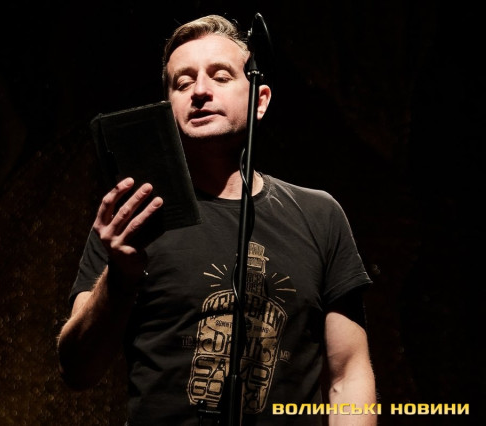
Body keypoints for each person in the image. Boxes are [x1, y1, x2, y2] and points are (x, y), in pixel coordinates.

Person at [57, 14, 377, 426]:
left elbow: (348, 375)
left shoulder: (320, 215)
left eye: (221, 77)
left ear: (259, 100)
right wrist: (119, 278)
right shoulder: (135, 216)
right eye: (182, 83)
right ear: (167, 107)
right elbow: (77, 370)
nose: (200, 92)